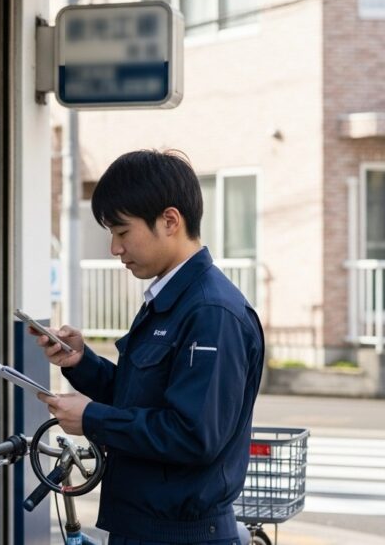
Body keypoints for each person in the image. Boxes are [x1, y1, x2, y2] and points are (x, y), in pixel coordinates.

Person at [32, 149, 264, 544]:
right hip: (143, 528)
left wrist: (93, 419)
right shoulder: (171, 299)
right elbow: (140, 398)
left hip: (181, 536)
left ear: (170, 221)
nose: (114, 248)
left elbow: (193, 435)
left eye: (122, 232)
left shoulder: (211, 312)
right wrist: (82, 363)